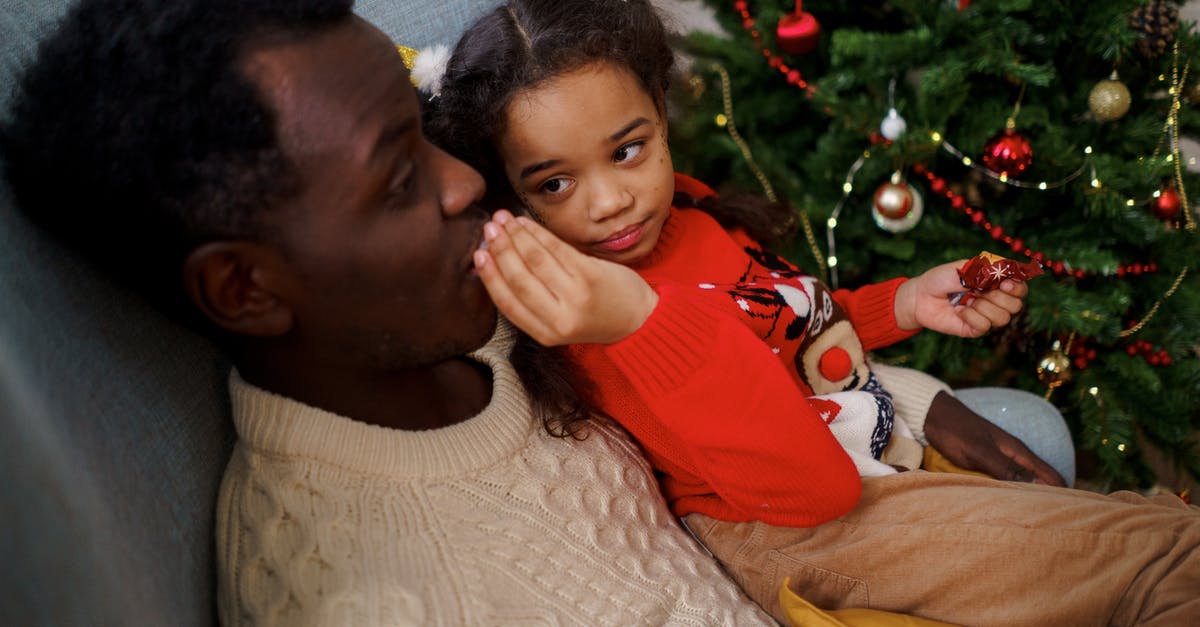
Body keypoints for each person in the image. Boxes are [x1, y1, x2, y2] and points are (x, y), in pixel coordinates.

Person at [0, 0, 781, 624]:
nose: (466, 184)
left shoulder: (494, 303)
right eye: (399, 180)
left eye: (423, 128)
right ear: (247, 289)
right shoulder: (371, 597)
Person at [426, 0, 1200, 624]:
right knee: (1171, 559)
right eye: (554, 183)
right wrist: (641, 323)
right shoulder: (599, 316)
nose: (609, 200)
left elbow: (792, 332)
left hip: (872, 456)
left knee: (1153, 534)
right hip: (801, 524)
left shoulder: (689, 219)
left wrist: (903, 303)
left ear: (660, 113)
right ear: (512, 195)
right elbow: (812, 492)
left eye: (626, 149)